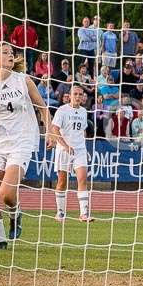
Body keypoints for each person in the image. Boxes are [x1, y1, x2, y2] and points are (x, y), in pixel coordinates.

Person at [0, 41, 53, 248]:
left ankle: (16, 213)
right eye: (5, 53)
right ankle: (0, 241)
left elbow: (43, 108)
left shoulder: (23, 80)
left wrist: (49, 131)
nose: (10, 56)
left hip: (21, 140)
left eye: (12, 53)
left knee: (6, 194)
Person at [49, 85, 93, 222]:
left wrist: (82, 143)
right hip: (64, 150)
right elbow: (54, 129)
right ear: (69, 96)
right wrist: (65, 145)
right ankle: (60, 212)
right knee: (62, 181)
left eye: (81, 94)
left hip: (79, 149)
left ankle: (84, 213)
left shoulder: (84, 112)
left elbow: (83, 130)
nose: (78, 97)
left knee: (83, 179)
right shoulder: (62, 110)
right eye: (76, 94)